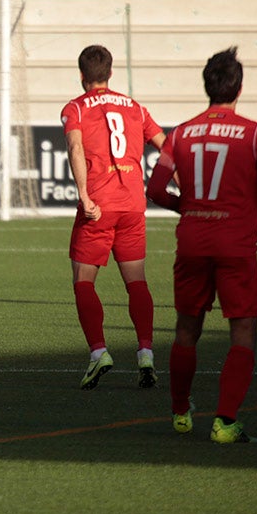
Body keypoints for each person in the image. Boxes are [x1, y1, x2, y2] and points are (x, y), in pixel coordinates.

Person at [147, 47, 257, 444]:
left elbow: (155, 189)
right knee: (242, 330)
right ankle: (225, 422)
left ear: (207, 86)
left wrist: (187, 206)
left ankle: (179, 412)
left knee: (187, 329)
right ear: (239, 87)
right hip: (235, 245)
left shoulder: (180, 135)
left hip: (192, 240)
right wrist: (242, 200)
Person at [61, 45, 166, 390]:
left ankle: (98, 353)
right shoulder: (135, 107)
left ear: (81, 75)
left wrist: (84, 195)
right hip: (133, 204)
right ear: (110, 73)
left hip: (99, 207)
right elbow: (165, 147)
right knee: (136, 281)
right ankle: (146, 353)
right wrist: (187, 191)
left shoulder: (75, 107)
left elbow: (76, 148)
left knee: (83, 280)